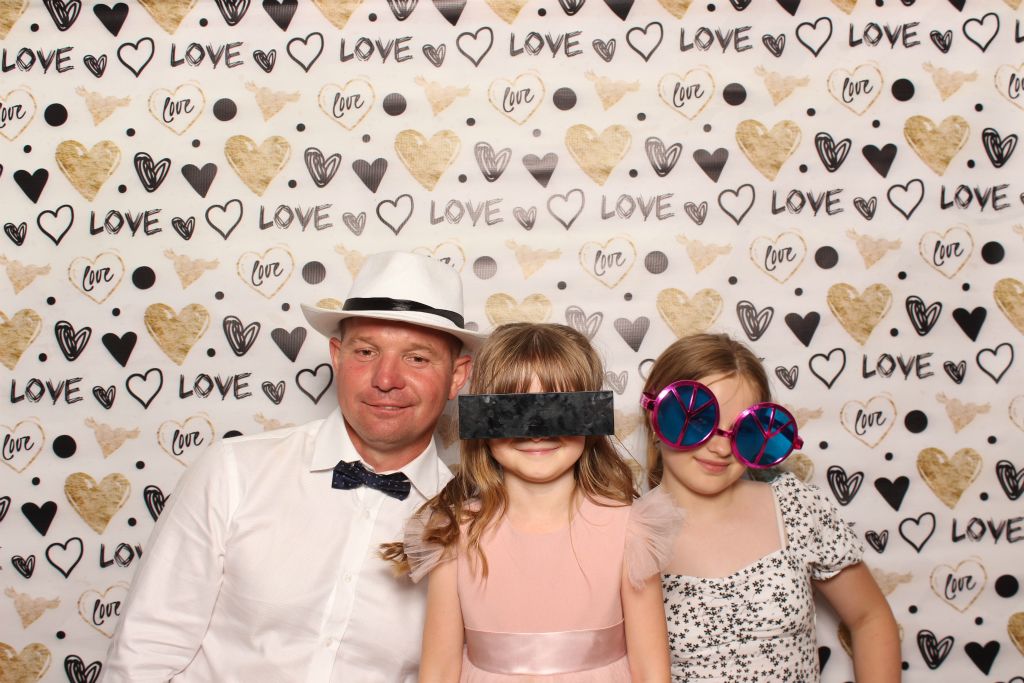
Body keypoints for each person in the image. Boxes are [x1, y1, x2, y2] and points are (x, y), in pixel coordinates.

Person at [103, 251, 487, 682]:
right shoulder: (233, 471)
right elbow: (146, 651)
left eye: (417, 358)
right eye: (366, 352)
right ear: (337, 356)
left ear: (457, 376)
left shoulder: (474, 522)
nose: (386, 379)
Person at [384, 322, 678, 682]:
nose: (537, 431)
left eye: (558, 408)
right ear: (482, 420)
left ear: (590, 416)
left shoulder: (630, 531)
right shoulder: (453, 535)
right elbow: (438, 670)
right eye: (514, 410)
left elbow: (652, 671)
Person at [640, 333, 901, 682]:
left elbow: (870, 617)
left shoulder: (795, 508)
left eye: (745, 430)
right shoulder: (625, 534)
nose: (721, 448)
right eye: (698, 421)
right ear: (655, 416)